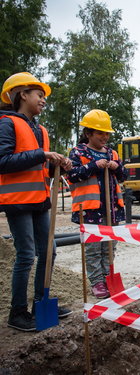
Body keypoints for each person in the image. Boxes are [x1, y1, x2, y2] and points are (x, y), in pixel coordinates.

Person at [0, 72, 73, 331]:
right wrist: (41, 154)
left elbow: (39, 167)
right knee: (26, 255)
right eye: (39, 94)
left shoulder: (40, 130)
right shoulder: (6, 123)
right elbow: (3, 161)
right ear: (22, 94)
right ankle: (17, 312)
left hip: (41, 200)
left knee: (49, 252)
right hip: (18, 201)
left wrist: (59, 165)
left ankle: (41, 301)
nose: (43, 100)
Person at [67, 109, 128, 299]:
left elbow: (123, 176)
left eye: (107, 133)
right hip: (90, 210)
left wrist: (117, 167)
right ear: (88, 133)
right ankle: (97, 281)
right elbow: (72, 175)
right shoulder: (78, 152)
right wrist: (94, 166)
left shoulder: (112, 153)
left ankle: (108, 277)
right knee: (93, 249)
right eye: (100, 133)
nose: (105, 137)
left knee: (109, 247)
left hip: (112, 209)